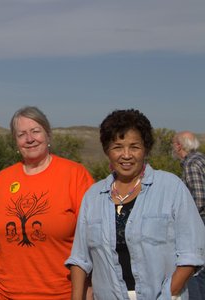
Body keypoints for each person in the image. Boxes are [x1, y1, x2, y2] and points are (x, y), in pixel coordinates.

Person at [66, 109, 205, 300]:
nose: (126, 155)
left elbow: (192, 252)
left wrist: (169, 293)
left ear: (145, 149)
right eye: (117, 147)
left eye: (134, 147)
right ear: (107, 150)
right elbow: (80, 259)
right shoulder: (93, 197)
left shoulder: (171, 188)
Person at [0, 106, 94, 299]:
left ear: (48, 135)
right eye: (22, 134)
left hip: (61, 294)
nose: (29, 139)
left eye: (35, 131)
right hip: (7, 295)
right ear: (16, 141)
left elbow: (92, 238)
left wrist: (87, 290)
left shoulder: (75, 175)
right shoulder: (1, 181)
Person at [172, 131, 205, 300]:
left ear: (179, 146)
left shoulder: (191, 164)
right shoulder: (200, 159)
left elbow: (199, 198)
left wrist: (187, 222)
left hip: (201, 223)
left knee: (197, 272)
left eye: (174, 144)